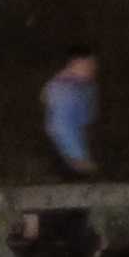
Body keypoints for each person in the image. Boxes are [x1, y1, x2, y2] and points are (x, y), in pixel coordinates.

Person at [41, 46, 101, 178]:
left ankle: (78, 160)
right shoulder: (63, 88)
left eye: (92, 65)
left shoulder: (86, 87)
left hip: (75, 128)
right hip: (64, 132)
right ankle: (77, 160)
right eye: (88, 65)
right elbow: (61, 124)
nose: (92, 69)